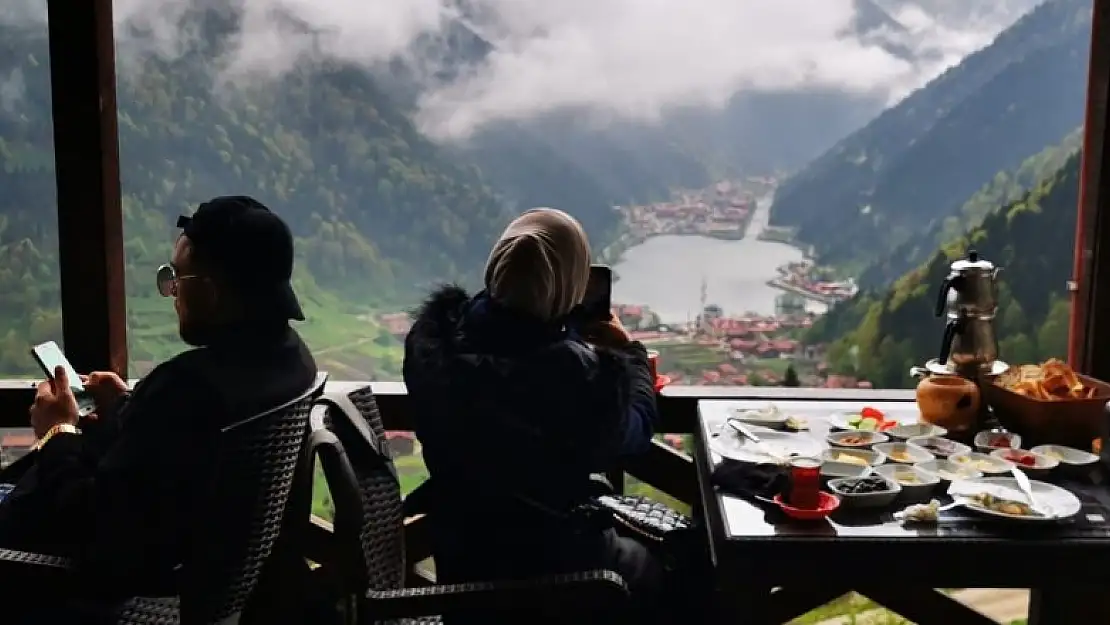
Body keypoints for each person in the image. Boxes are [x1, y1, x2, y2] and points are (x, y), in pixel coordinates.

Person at [0, 196, 318, 619]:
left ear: (210, 291)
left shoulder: (189, 388)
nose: (171, 293)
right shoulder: (291, 361)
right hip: (194, 573)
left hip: (68, 580)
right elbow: (166, 462)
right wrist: (126, 410)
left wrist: (58, 432)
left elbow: (96, 533)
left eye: (177, 278)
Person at [404, 208, 696, 624]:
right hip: (562, 569)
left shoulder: (431, 347)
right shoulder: (576, 374)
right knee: (682, 565)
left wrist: (557, 325)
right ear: (568, 285)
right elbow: (631, 432)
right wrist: (627, 356)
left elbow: (507, 349)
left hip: (465, 560)